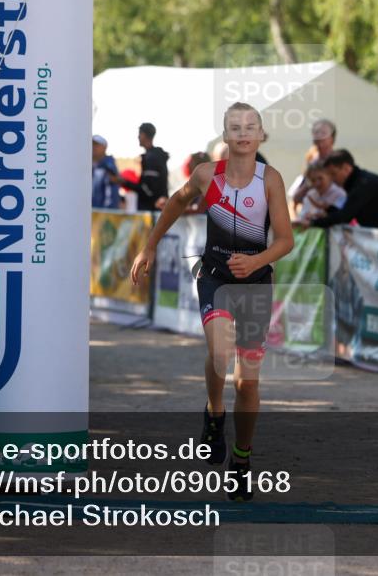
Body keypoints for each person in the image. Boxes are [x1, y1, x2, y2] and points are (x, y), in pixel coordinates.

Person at [130, 102, 293, 502]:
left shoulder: (270, 179)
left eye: (250, 127)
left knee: (249, 383)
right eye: (235, 127)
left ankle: (241, 459)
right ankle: (215, 413)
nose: (242, 132)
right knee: (220, 353)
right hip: (216, 277)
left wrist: (256, 260)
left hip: (256, 283)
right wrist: (149, 247)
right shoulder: (207, 175)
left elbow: (286, 240)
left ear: (260, 135)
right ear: (225, 136)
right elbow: (174, 203)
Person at [307, 149, 378, 232]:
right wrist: (329, 210)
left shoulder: (363, 184)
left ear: (346, 168)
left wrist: (312, 223)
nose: (332, 180)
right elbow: (350, 211)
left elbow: (345, 216)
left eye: (333, 174)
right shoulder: (359, 182)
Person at [118, 122, 168, 211]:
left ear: (144, 135)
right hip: (154, 209)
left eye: (139, 134)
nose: (138, 137)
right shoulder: (153, 156)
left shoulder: (152, 158)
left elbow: (148, 190)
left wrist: (123, 182)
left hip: (151, 211)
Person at [288, 119, 337, 209]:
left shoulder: (338, 162)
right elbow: (297, 197)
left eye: (323, 133)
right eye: (316, 132)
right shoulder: (312, 162)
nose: (319, 136)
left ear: (332, 138)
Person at [91, 134, 120, 209]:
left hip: (104, 212)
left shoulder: (109, 165)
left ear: (104, 147)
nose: (93, 147)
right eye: (92, 144)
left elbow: (112, 190)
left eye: (96, 145)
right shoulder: (89, 166)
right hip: (91, 211)